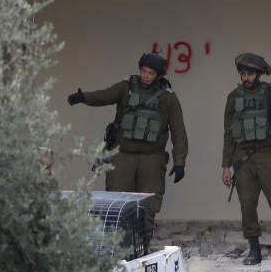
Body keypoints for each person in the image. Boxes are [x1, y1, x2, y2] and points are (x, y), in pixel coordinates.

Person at [67, 52, 188, 241]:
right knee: (118, 203)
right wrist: (83, 97)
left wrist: (180, 162)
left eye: (151, 73)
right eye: (144, 71)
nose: (146, 75)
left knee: (148, 205)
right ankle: (119, 249)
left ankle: (143, 247)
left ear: (159, 75)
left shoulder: (168, 98)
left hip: (152, 159)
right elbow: (104, 96)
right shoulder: (126, 88)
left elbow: (178, 131)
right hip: (123, 157)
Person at [221, 52, 271, 265]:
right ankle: (254, 248)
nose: (246, 78)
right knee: (247, 204)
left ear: (259, 74)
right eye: (243, 74)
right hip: (242, 157)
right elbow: (228, 134)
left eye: (250, 74)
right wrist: (226, 166)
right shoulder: (233, 97)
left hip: (268, 154)